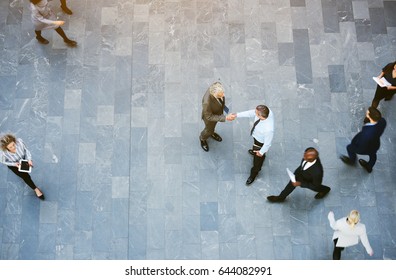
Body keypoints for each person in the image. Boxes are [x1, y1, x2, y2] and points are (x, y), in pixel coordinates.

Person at [232, 105, 274, 185]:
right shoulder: (267, 111)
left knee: (257, 161)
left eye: (256, 113)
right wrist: (237, 115)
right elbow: (250, 113)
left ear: (261, 116)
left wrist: (261, 152)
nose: (254, 113)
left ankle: (254, 174)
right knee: (256, 148)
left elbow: (267, 144)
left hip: (261, 143)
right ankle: (255, 152)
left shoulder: (268, 130)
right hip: (257, 137)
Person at [340, 107, 386, 173]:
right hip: (375, 144)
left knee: (349, 147)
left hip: (364, 147)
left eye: (367, 112)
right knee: (373, 155)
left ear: (369, 116)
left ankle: (352, 161)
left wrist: (354, 145)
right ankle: (369, 167)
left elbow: (362, 145)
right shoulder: (382, 121)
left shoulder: (367, 133)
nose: (366, 112)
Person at [0, 134, 45, 200]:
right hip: (14, 165)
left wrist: (29, 159)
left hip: (23, 160)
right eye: (10, 147)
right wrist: (14, 164)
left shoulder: (19, 142)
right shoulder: (3, 153)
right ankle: (36, 189)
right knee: (25, 176)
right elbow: (4, 161)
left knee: (26, 172)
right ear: (6, 148)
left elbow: (26, 150)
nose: (13, 147)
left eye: (13, 144)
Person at [199, 82, 234, 152]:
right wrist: (225, 117)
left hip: (216, 112)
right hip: (210, 119)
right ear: (214, 94)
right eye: (221, 95)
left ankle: (212, 133)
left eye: (223, 93)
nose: (223, 95)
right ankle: (202, 138)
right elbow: (209, 117)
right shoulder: (207, 103)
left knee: (212, 128)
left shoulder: (216, 86)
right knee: (208, 130)